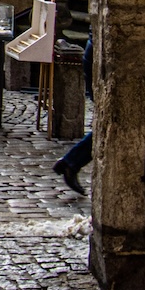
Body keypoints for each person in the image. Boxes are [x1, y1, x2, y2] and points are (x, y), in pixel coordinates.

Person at [53, 33, 93, 194]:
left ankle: (71, 162)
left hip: (93, 51)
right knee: (114, 124)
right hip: (96, 53)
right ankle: (72, 162)